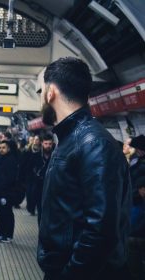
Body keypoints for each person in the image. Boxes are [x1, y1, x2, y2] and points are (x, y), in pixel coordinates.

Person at [37, 57, 131, 280]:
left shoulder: (92, 143)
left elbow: (101, 230)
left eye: (42, 90)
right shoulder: (72, 139)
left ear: (51, 92)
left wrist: (69, 274)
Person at [0, 140, 19, 243]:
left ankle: (8, 235)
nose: (1, 149)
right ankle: (0, 233)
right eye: (0, 148)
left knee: (7, 213)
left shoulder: (11, 160)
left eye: (3, 148)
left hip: (6, 193)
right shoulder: (0, 158)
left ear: (8, 148)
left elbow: (10, 178)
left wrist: (2, 189)